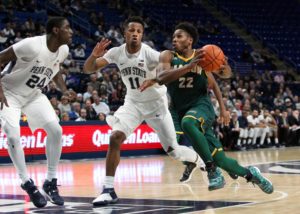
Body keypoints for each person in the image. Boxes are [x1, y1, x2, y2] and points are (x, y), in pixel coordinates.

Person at [140, 22, 273, 194]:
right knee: (222, 160)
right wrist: (188, 66)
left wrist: (224, 103)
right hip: (179, 109)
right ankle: (251, 174)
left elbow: (221, 79)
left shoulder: (203, 56)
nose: (174, 39)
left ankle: (211, 169)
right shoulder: (168, 55)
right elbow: (162, 77)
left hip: (201, 106)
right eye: (173, 36)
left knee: (188, 124)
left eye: (179, 36)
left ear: (190, 40)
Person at [83, 16, 204, 206]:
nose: (135, 34)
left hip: (156, 104)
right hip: (133, 103)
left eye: (139, 32)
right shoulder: (116, 52)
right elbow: (88, 69)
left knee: (174, 152)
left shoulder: (150, 54)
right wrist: (93, 55)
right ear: (125, 33)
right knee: (115, 138)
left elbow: (166, 66)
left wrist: (158, 76)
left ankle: (196, 159)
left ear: (142, 35)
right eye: (131, 30)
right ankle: (108, 190)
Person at [0, 17, 73, 208]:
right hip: (9, 94)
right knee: (13, 136)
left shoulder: (63, 50)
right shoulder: (31, 46)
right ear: (56, 30)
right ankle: (27, 183)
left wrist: (64, 90)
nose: (71, 31)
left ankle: (50, 182)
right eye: (67, 28)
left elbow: (54, 70)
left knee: (56, 131)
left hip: (33, 95)